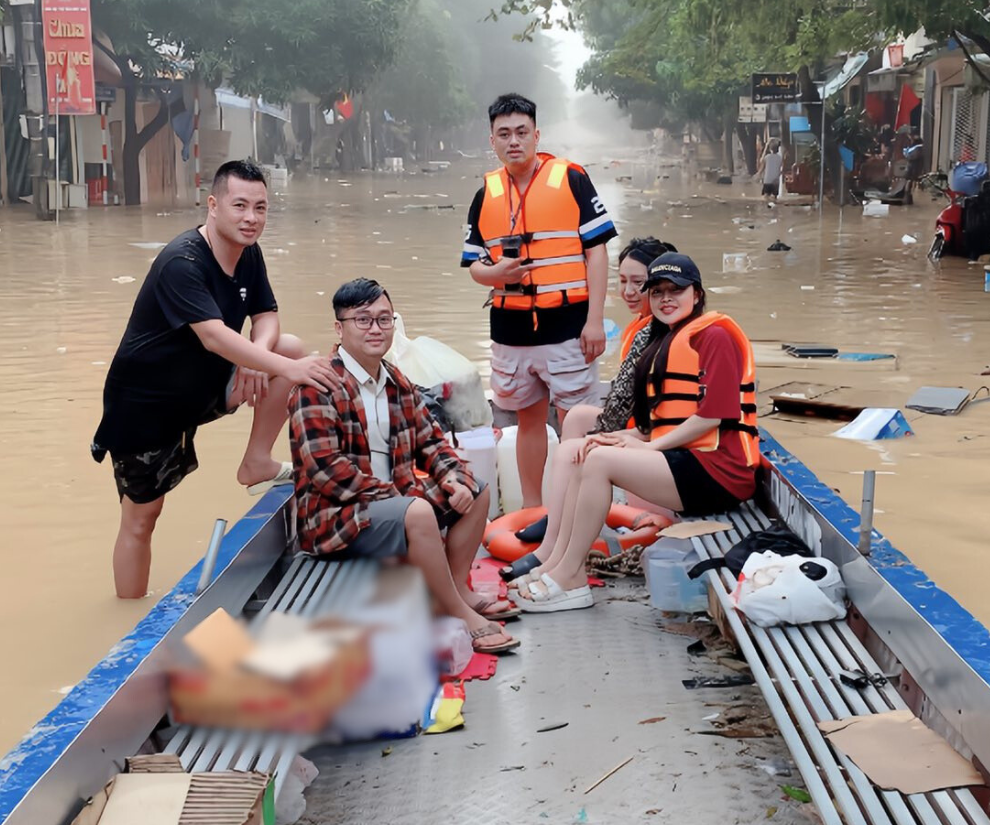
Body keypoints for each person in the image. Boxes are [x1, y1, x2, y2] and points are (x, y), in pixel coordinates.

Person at [92, 159, 337, 599]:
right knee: (142, 518)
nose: (251, 218)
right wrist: (276, 367)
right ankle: (128, 617)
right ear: (213, 205)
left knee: (290, 347)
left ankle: (256, 462)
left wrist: (260, 358)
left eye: (260, 208)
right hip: (147, 406)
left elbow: (266, 315)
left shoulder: (250, 253)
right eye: (239, 205)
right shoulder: (180, 262)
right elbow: (212, 335)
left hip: (205, 383)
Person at [508, 252, 760, 612]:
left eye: (676, 290)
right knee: (587, 451)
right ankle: (556, 564)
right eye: (657, 292)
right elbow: (665, 419)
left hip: (721, 473)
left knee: (597, 463)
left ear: (697, 294)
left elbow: (712, 417)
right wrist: (627, 439)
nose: (666, 299)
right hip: (687, 460)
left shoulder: (714, 336)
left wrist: (648, 447)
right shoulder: (665, 339)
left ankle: (571, 578)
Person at [288, 279, 520, 654]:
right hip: (336, 516)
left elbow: (431, 441)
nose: (375, 329)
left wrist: (453, 478)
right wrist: (401, 499)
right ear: (339, 328)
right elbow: (325, 468)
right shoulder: (317, 386)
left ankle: (456, 586)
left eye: (383, 319)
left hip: (398, 504)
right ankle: (456, 611)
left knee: (477, 489)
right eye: (362, 320)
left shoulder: (397, 382)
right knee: (416, 511)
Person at [461, 93, 617, 511]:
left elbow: (597, 252)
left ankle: (575, 508)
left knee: (575, 422)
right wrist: (493, 276)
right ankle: (533, 509)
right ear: (491, 140)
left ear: (537, 134)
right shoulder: (485, 194)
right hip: (510, 330)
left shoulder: (571, 179)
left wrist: (595, 320)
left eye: (521, 132)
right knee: (528, 422)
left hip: (568, 325)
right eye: (504, 134)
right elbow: (475, 265)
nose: (514, 141)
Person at [500, 236, 677, 570]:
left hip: (661, 436)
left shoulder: (653, 332)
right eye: (622, 281)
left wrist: (605, 438)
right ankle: (557, 515)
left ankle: (553, 543)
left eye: (639, 283)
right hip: (649, 426)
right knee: (578, 417)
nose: (628, 291)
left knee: (580, 436)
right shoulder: (644, 326)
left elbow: (622, 404)